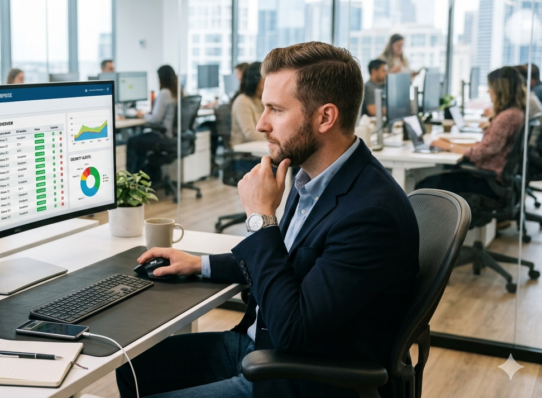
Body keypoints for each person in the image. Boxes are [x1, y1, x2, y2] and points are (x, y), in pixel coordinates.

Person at [117, 42, 420, 398]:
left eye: (275, 110)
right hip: (258, 349)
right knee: (132, 368)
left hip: (298, 377)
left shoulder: (371, 214)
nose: (261, 124)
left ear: (325, 117)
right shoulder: (310, 176)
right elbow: (288, 260)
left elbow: (292, 329)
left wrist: (261, 217)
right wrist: (200, 264)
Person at [418, 66, 526, 199]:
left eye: (490, 87)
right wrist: (452, 143)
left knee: (423, 186)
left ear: (500, 89)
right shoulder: (515, 113)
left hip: (487, 179)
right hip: (493, 176)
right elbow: (486, 145)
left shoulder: (506, 118)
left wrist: (447, 146)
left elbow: (479, 152)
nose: (488, 91)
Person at [127, 65, 182, 178]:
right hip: (172, 136)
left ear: (161, 78)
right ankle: (145, 177)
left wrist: (142, 115)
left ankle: (132, 179)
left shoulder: (164, 93)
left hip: (163, 136)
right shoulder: (177, 91)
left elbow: (155, 119)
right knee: (140, 141)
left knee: (132, 141)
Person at [230, 62, 266, 146]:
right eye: (265, 78)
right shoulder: (242, 101)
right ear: (256, 80)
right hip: (244, 153)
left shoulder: (260, 100)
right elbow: (250, 134)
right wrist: (276, 138)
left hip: (259, 147)